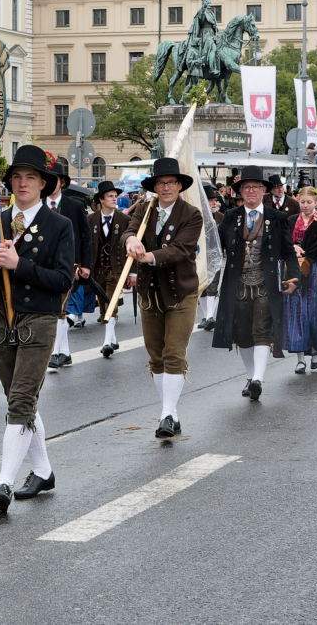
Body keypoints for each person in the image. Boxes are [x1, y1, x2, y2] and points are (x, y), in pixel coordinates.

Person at [0, 146, 74, 511]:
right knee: (19, 400)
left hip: (39, 319)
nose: (22, 183)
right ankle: (43, 470)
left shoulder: (59, 225)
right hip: (2, 319)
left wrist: (20, 265)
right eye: (17, 177)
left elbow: (62, 279)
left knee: (20, 399)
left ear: (44, 184)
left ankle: (4, 482)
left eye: (30, 177)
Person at [121, 158, 203, 438]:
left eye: (171, 182)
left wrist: (148, 256)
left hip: (180, 292)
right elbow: (129, 230)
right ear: (155, 187)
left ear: (179, 185)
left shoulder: (191, 214)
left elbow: (181, 249)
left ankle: (167, 414)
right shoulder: (144, 209)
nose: (166, 187)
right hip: (150, 293)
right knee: (155, 356)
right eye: (161, 183)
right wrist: (131, 240)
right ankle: (171, 412)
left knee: (173, 353)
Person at [212, 165, 300, 402]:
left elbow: (288, 252)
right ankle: (251, 376)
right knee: (242, 333)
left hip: (265, 282)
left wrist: (294, 276)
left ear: (264, 190)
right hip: (237, 283)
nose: (251, 191)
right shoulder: (231, 217)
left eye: (256, 187)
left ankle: (258, 379)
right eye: (246, 187)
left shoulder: (277, 218)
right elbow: (216, 246)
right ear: (240, 191)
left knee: (262, 330)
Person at [45, 158, 92, 369]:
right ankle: (65, 352)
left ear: (62, 182)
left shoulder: (75, 206)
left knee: (60, 307)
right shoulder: (38, 205)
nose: (49, 183)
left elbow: (85, 237)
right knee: (54, 308)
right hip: (44, 267)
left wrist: (85, 264)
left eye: (53, 179)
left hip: (69, 266)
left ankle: (56, 352)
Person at [284, 186, 317, 372]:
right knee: (296, 312)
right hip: (294, 268)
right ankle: (300, 358)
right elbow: (283, 241)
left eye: (309, 202)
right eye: (302, 202)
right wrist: (292, 247)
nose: (305, 205)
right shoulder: (291, 220)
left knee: (313, 311)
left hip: (315, 270)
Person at [88, 180, 131, 357]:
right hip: (97, 269)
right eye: (110, 196)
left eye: (115, 196)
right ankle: (113, 339)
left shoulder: (125, 219)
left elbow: (131, 246)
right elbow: (86, 245)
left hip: (116, 269)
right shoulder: (91, 219)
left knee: (111, 303)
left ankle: (106, 342)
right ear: (101, 199)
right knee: (103, 305)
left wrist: (132, 272)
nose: (114, 199)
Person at [198, 183, 224, 330]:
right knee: (202, 286)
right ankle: (205, 316)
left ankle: (209, 317)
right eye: (211, 200)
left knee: (213, 286)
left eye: (215, 200)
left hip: (216, 256)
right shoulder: (197, 216)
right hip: (200, 257)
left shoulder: (220, 217)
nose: (214, 203)